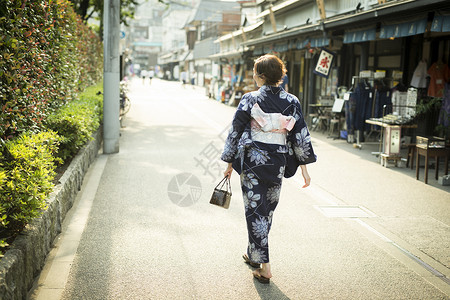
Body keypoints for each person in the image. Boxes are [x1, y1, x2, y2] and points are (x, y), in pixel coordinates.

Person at [221, 54, 316, 284]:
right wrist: (303, 167)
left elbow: (235, 131)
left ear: (262, 76)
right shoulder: (292, 101)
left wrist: (229, 161)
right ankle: (254, 256)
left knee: (255, 211)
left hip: (254, 163)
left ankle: (266, 267)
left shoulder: (249, 99)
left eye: (255, 73)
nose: (253, 77)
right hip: (277, 163)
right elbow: (299, 134)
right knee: (267, 211)